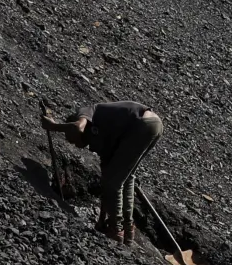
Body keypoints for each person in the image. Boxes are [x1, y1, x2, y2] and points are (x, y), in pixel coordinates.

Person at [43, 100, 165, 241]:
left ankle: (116, 229)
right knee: (126, 177)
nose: (73, 143)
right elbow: (106, 175)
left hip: (142, 124)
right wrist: (101, 218)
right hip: (153, 125)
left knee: (115, 182)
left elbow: (77, 128)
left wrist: (53, 126)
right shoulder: (98, 138)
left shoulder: (86, 111)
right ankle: (127, 229)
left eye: (70, 139)